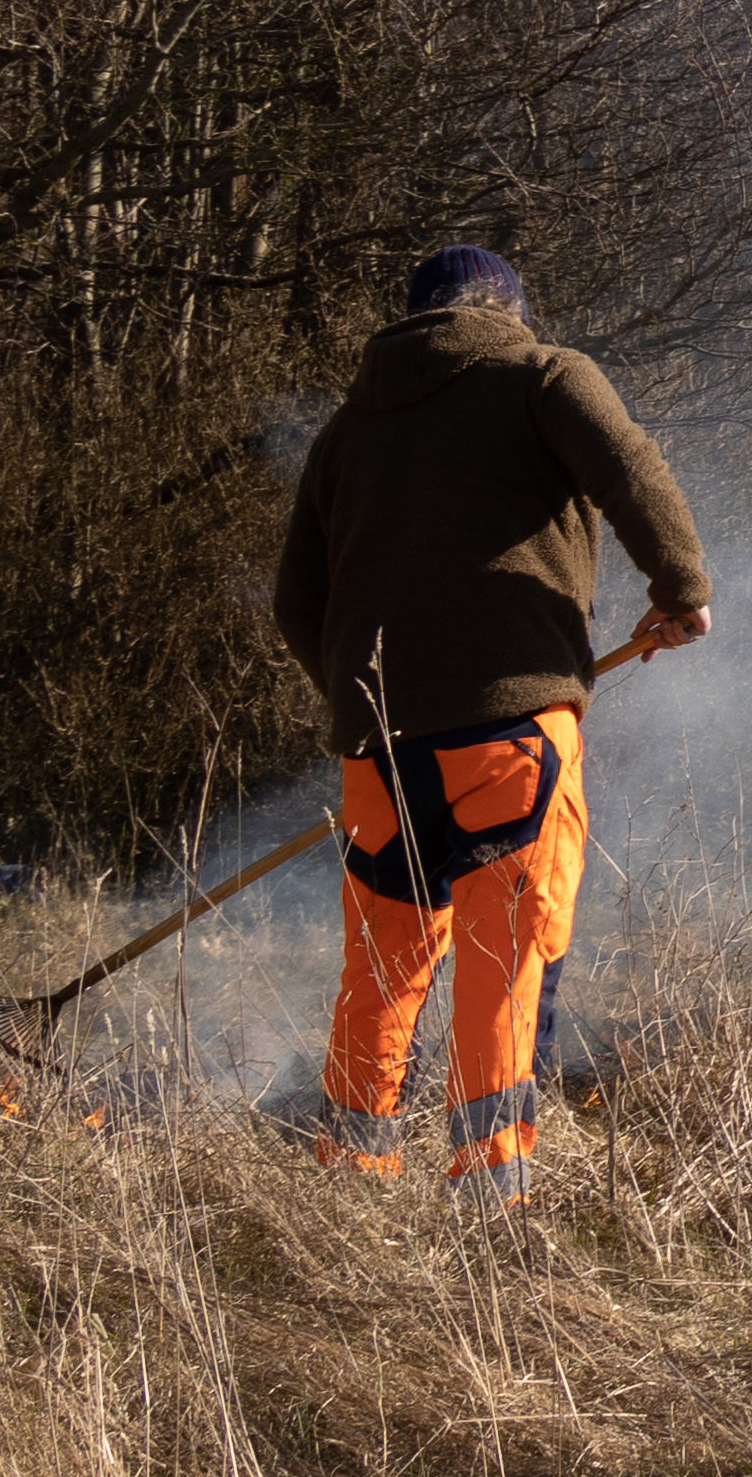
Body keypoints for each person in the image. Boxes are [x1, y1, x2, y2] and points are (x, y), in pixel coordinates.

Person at [268, 244, 709, 1203]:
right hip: (511, 736)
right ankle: (491, 1200)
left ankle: (350, 1180)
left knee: (381, 967)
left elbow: (297, 605)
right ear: (505, 312)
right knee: (504, 955)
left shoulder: (344, 433)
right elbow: (632, 470)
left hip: (378, 754)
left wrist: (368, 703)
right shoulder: (542, 374)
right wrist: (682, 589)